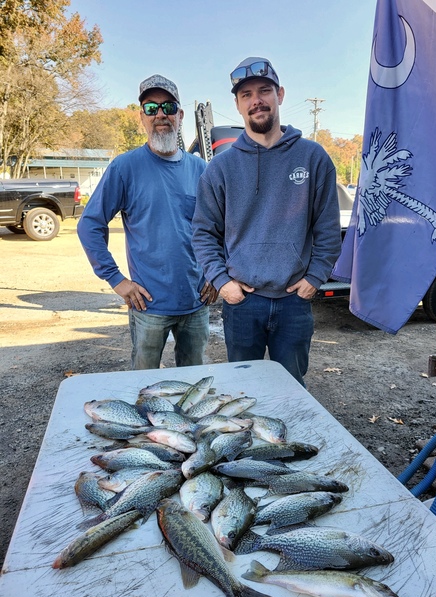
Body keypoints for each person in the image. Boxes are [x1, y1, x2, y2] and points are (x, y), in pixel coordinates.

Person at [192, 56, 341, 386]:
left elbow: (328, 230)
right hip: (242, 304)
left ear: (280, 95)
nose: (256, 100)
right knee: (242, 391)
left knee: (292, 389)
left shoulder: (313, 158)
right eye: (246, 95)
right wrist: (221, 282)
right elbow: (203, 233)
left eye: (264, 91)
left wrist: (316, 276)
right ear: (238, 105)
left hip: (294, 303)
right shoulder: (220, 168)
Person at [78, 73, 216, 370]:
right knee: (143, 383)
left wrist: (218, 274)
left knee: (194, 383)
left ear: (180, 115)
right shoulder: (125, 168)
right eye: (151, 108)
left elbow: (222, 227)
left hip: (196, 301)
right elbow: (90, 224)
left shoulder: (201, 169)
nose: (160, 115)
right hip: (147, 303)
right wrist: (116, 280)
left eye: (168, 107)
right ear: (142, 117)